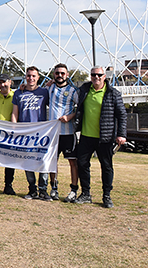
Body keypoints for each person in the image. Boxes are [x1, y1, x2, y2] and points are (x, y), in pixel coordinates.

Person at [74, 66, 126, 208]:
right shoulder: (84, 90)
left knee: (106, 166)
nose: (96, 77)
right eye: (93, 75)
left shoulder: (113, 94)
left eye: (99, 75)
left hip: (105, 137)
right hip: (86, 136)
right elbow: (65, 88)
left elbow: (122, 115)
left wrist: (121, 134)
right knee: (82, 164)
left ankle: (106, 196)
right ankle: (86, 194)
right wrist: (49, 84)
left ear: (104, 76)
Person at [12, 66, 50, 201]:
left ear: (38, 77)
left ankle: (43, 190)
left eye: (34, 76)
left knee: (43, 162)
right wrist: (14, 129)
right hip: (25, 134)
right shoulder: (18, 93)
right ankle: (32, 189)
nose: (31, 78)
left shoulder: (45, 92)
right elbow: (14, 113)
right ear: (25, 77)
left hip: (42, 134)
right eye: (28, 76)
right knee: (28, 163)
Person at [48, 64, 79, 202]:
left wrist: (70, 117)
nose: (59, 75)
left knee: (72, 161)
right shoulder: (49, 88)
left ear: (67, 75)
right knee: (52, 162)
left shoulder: (73, 91)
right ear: (54, 74)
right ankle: (53, 188)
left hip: (68, 132)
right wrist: (23, 87)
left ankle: (73, 190)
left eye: (62, 73)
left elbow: (81, 108)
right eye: (57, 73)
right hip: (53, 133)